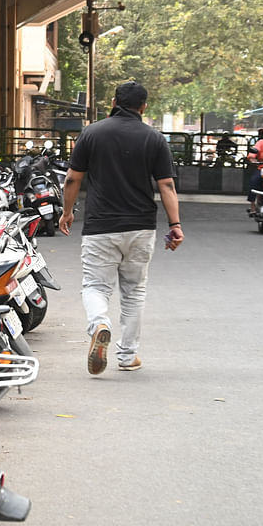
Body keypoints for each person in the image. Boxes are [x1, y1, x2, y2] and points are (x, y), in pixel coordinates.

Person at [58, 81, 183, 375]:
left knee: (95, 286)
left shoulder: (91, 133)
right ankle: (127, 357)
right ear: (144, 107)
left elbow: (72, 179)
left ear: (113, 101)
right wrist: (175, 224)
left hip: (101, 226)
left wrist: (67, 212)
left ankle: (100, 323)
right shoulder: (154, 138)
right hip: (141, 227)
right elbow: (166, 184)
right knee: (134, 291)